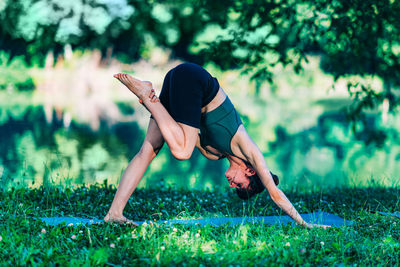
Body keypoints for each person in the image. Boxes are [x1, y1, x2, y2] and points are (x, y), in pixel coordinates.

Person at [103, 63, 328, 228]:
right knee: (182, 152)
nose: (232, 185)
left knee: (148, 150)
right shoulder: (248, 148)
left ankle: (114, 214)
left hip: (179, 81)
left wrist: (153, 108)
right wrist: (305, 224)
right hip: (194, 80)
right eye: (240, 185)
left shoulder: (213, 154)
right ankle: (147, 94)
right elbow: (275, 193)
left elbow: (172, 129)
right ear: (250, 171)